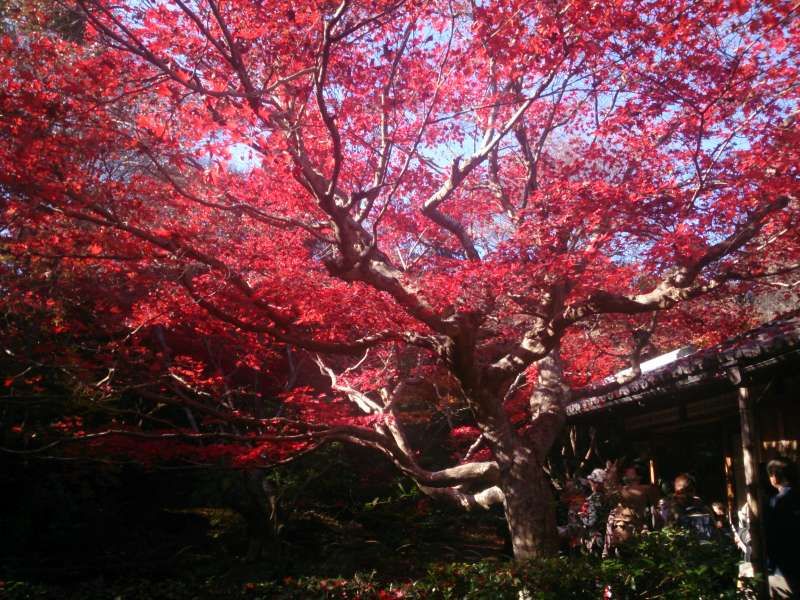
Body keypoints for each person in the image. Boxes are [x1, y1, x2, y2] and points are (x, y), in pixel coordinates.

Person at [765, 457, 800, 599]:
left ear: (774, 476)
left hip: (786, 561)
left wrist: (769, 565)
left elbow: (773, 535)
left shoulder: (776, 502)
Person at [660, 473, 717, 541]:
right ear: (676, 491)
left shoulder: (702, 507)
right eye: (682, 492)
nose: (686, 495)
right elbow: (668, 533)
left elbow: (714, 531)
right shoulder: (667, 507)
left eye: (690, 491)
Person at [579, 468, 610, 555]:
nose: (590, 483)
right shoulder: (607, 497)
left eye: (592, 481)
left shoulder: (594, 499)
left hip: (596, 538)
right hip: (607, 535)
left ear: (596, 483)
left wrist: (582, 517)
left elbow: (592, 521)